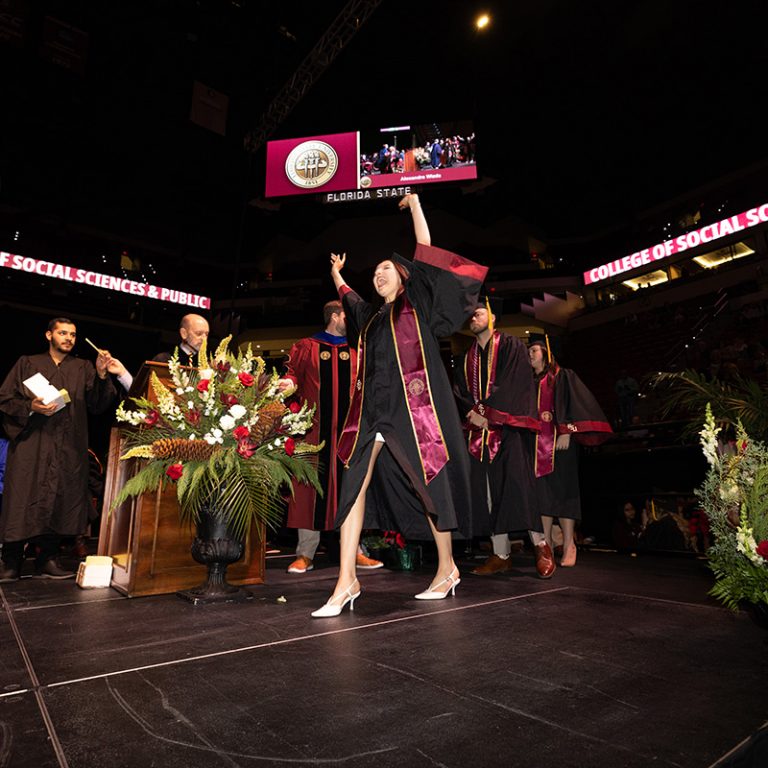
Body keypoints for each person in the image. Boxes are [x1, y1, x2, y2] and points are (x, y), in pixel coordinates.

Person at [312, 193, 487, 617]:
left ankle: (447, 568)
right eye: (374, 271)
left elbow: (425, 253)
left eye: (386, 268)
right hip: (370, 410)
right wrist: (337, 274)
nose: (378, 274)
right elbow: (350, 298)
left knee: (430, 485)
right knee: (353, 486)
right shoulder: (371, 318)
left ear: (404, 276)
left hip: (413, 411)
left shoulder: (417, 304)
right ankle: (345, 581)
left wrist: (416, 207)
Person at [0, 318, 116, 581]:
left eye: (73, 335)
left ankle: (47, 559)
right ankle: (11, 561)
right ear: (49, 335)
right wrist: (31, 406)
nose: (68, 338)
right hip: (33, 445)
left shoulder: (83, 367)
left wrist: (100, 374)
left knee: (59, 499)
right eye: (63, 333)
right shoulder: (27, 363)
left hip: (68, 446)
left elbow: (99, 404)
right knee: (21, 500)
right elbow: (5, 398)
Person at [279, 300, 383, 574]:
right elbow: (293, 376)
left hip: (350, 433)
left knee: (352, 489)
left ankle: (355, 550)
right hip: (314, 432)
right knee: (309, 489)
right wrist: (288, 384)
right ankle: (305, 553)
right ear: (336, 316)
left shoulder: (357, 349)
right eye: (348, 317)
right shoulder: (307, 346)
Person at [453, 300, 542, 575]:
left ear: (492, 316)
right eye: (470, 315)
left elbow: (514, 382)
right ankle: (500, 553)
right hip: (479, 434)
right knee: (489, 494)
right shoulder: (466, 356)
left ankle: (541, 545)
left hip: (508, 430)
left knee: (518, 486)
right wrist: (473, 412)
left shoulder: (511, 345)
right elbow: (459, 392)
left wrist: (488, 413)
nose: (473, 318)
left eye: (478, 313)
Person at [527, 334, 612, 577]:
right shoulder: (529, 382)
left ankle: (569, 543)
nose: (530, 355)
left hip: (561, 444)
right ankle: (547, 547)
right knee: (541, 495)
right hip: (537, 447)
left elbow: (576, 404)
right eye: (530, 351)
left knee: (563, 492)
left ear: (546, 352)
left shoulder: (564, 376)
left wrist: (567, 430)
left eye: (534, 350)